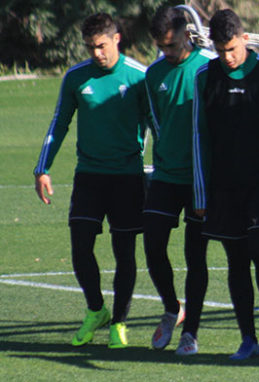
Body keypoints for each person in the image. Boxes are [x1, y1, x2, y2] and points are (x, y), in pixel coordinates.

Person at [33, 12, 149, 349]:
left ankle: (120, 322)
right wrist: (42, 168)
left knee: (124, 251)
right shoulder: (75, 78)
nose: (96, 53)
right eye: (89, 47)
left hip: (127, 177)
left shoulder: (139, 76)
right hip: (89, 176)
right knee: (80, 246)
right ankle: (96, 310)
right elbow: (59, 124)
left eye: (101, 45)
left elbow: (158, 122)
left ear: (116, 39)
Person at [192, 9, 259, 360]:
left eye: (232, 48)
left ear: (246, 40)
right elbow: (199, 136)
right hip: (224, 186)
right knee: (236, 260)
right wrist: (201, 190)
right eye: (220, 50)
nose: (227, 57)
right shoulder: (205, 76)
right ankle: (247, 337)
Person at [144, 6, 216, 355]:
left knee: (195, 254)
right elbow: (156, 122)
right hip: (166, 175)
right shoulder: (153, 74)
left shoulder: (208, 67)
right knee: (153, 244)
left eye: (172, 45)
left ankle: (192, 333)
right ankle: (173, 307)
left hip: (201, 179)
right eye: (162, 46)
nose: (167, 52)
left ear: (187, 35)